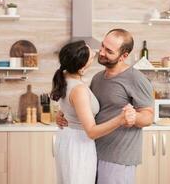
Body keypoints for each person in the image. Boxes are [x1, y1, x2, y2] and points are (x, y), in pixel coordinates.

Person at [56, 28, 154, 184]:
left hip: (118, 157)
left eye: (109, 51)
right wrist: (65, 114)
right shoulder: (98, 78)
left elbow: (148, 116)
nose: (101, 52)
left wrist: (133, 116)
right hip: (94, 151)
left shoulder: (136, 78)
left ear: (124, 56)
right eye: (102, 46)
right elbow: (88, 109)